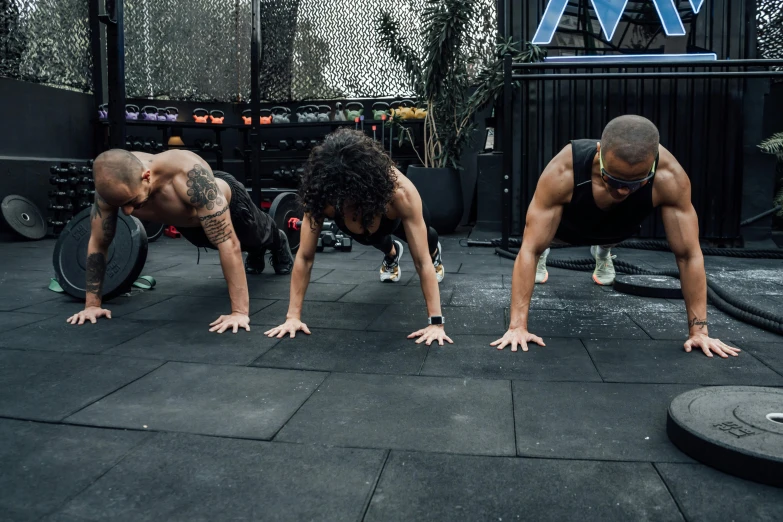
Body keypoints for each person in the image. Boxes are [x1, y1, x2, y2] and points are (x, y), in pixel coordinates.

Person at [492, 115, 740, 358]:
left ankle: (603, 252)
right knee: (539, 242)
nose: (622, 189)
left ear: (653, 163)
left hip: (619, 227)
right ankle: (552, 250)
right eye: (613, 179)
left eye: (635, 183)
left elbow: (688, 255)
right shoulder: (565, 169)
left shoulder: (669, 176)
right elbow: (529, 249)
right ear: (599, 153)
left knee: (616, 225)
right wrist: (517, 328)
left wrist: (700, 331)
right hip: (565, 228)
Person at [66, 148, 294, 333]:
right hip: (192, 225)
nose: (126, 212)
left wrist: (239, 313)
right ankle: (255, 252)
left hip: (231, 206)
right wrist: (92, 305)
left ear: (146, 176)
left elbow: (228, 242)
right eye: (121, 205)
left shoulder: (189, 177)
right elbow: (99, 242)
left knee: (260, 236)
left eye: (132, 202)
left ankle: (279, 241)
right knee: (225, 243)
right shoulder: (111, 188)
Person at [264, 128, 451, 345]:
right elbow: (305, 257)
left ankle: (436, 250)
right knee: (369, 236)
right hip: (371, 228)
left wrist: (436, 322)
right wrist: (292, 317)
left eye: (350, 200)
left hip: (392, 217)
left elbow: (420, 262)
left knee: (425, 242)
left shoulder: (400, 194)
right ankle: (391, 254)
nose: (343, 204)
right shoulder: (323, 197)